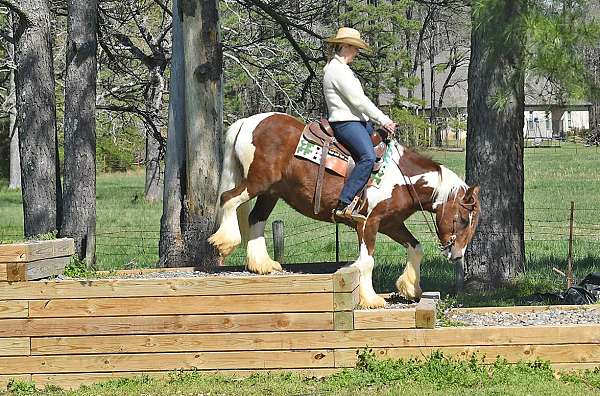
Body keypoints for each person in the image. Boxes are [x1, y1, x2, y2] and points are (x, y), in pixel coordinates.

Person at [323, 27, 397, 222]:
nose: (357, 52)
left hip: (357, 121)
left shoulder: (343, 69)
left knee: (381, 148)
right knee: (367, 157)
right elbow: (359, 101)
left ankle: (372, 198)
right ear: (345, 46)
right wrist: (384, 120)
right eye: (355, 48)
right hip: (345, 122)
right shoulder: (336, 70)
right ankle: (344, 203)